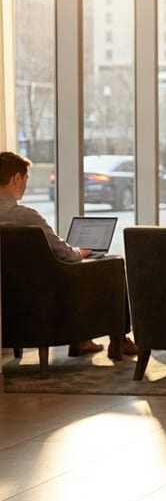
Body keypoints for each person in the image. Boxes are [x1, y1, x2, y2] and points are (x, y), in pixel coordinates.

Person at [0, 151, 137, 358]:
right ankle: (119, 340)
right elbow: (66, 254)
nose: (26, 184)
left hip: (10, 295)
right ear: (16, 178)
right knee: (113, 265)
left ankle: (81, 339)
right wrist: (79, 252)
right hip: (47, 294)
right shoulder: (27, 216)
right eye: (26, 178)